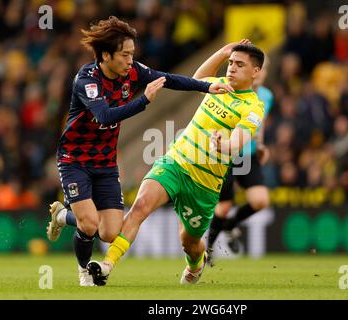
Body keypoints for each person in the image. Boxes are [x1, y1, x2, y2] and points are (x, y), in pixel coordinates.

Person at [44, 16, 233, 286]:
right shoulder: (87, 80)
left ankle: (63, 215)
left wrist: (206, 86)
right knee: (88, 225)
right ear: (106, 55)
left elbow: (167, 79)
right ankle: (84, 271)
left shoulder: (131, 72)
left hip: (106, 163)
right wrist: (143, 100)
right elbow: (105, 116)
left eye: (132, 54)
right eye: (125, 55)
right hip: (75, 160)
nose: (130, 60)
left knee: (109, 232)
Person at [86, 40, 265, 286]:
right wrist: (222, 53)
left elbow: (239, 140)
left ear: (255, 72)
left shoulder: (254, 106)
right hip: (176, 162)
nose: (231, 68)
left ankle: (196, 264)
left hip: (205, 183)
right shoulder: (218, 85)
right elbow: (197, 78)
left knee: (189, 243)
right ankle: (107, 265)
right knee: (140, 206)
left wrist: (226, 146)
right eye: (231, 63)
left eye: (239, 65)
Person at [206, 56, 273, 263]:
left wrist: (260, 146)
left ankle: (230, 226)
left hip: (249, 154)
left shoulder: (266, 96)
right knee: (223, 207)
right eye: (256, 68)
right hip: (227, 154)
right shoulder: (230, 90)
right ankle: (206, 251)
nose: (260, 73)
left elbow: (259, 125)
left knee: (260, 200)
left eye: (263, 69)